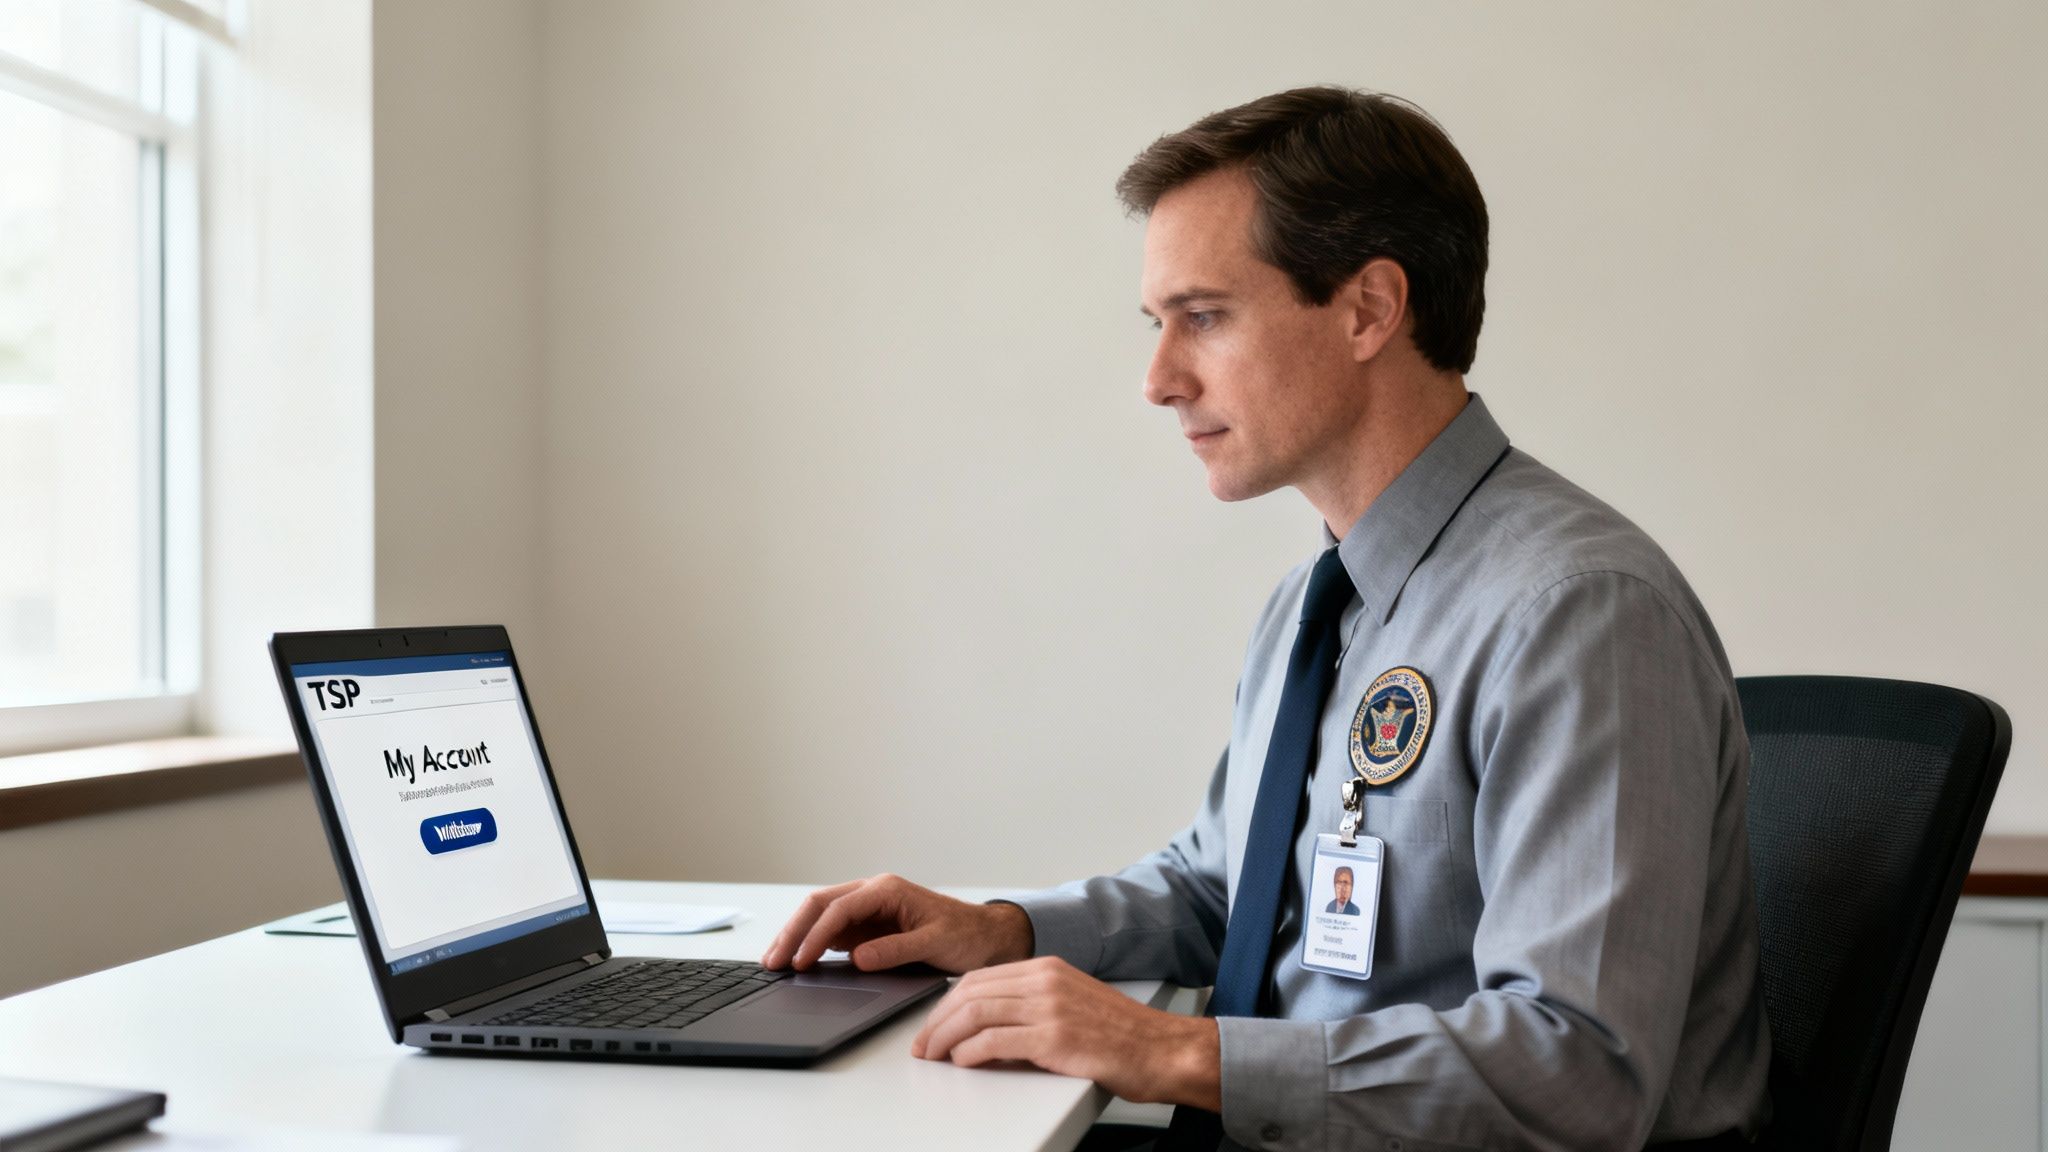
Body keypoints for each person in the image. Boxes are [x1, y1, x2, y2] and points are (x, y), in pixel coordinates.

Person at [763, 86, 1771, 1152]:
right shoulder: (1320, 597)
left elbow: (1579, 1071)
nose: (1156, 379)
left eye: (1202, 317)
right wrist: (1003, 930)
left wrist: (1173, 1051)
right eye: (1156, 326)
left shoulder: (1574, 616)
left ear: (1368, 310)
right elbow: (1226, 890)